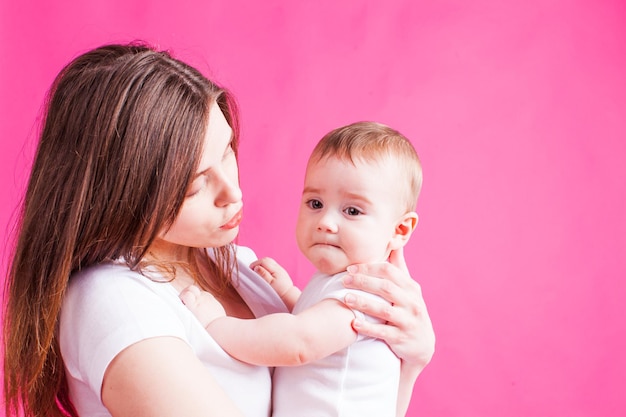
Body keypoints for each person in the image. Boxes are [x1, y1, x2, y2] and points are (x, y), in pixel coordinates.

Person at [2, 43, 435, 417]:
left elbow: (346, 395)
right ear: (124, 194)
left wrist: (410, 359)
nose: (233, 192)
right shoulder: (115, 302)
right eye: (195, 184)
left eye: (227, 150)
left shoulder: (236, 266)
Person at [180, 121, 424, 417]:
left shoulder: (366, 293)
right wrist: (288, 294)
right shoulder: (341, 282)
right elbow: (324, 331)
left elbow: (300, 343)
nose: (325, 222)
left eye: (352, 211)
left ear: (399, 229)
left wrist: (215, 324)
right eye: (315, 203)